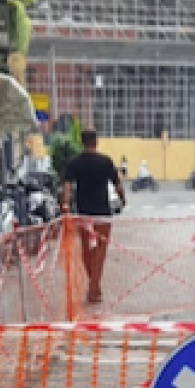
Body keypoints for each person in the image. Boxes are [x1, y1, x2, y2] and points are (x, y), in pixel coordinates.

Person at [61, 129, 125, 304]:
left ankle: (94, 285)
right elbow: (117, 184)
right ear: (96, 142)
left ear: (82, 142)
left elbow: (67, 187)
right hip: (103, 214)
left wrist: (65, 206)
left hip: (84, 214)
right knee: (100, 251)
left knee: (86, 251)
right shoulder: (106, 162)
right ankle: (94, 287)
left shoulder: (74, 163)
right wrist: (122, 200)